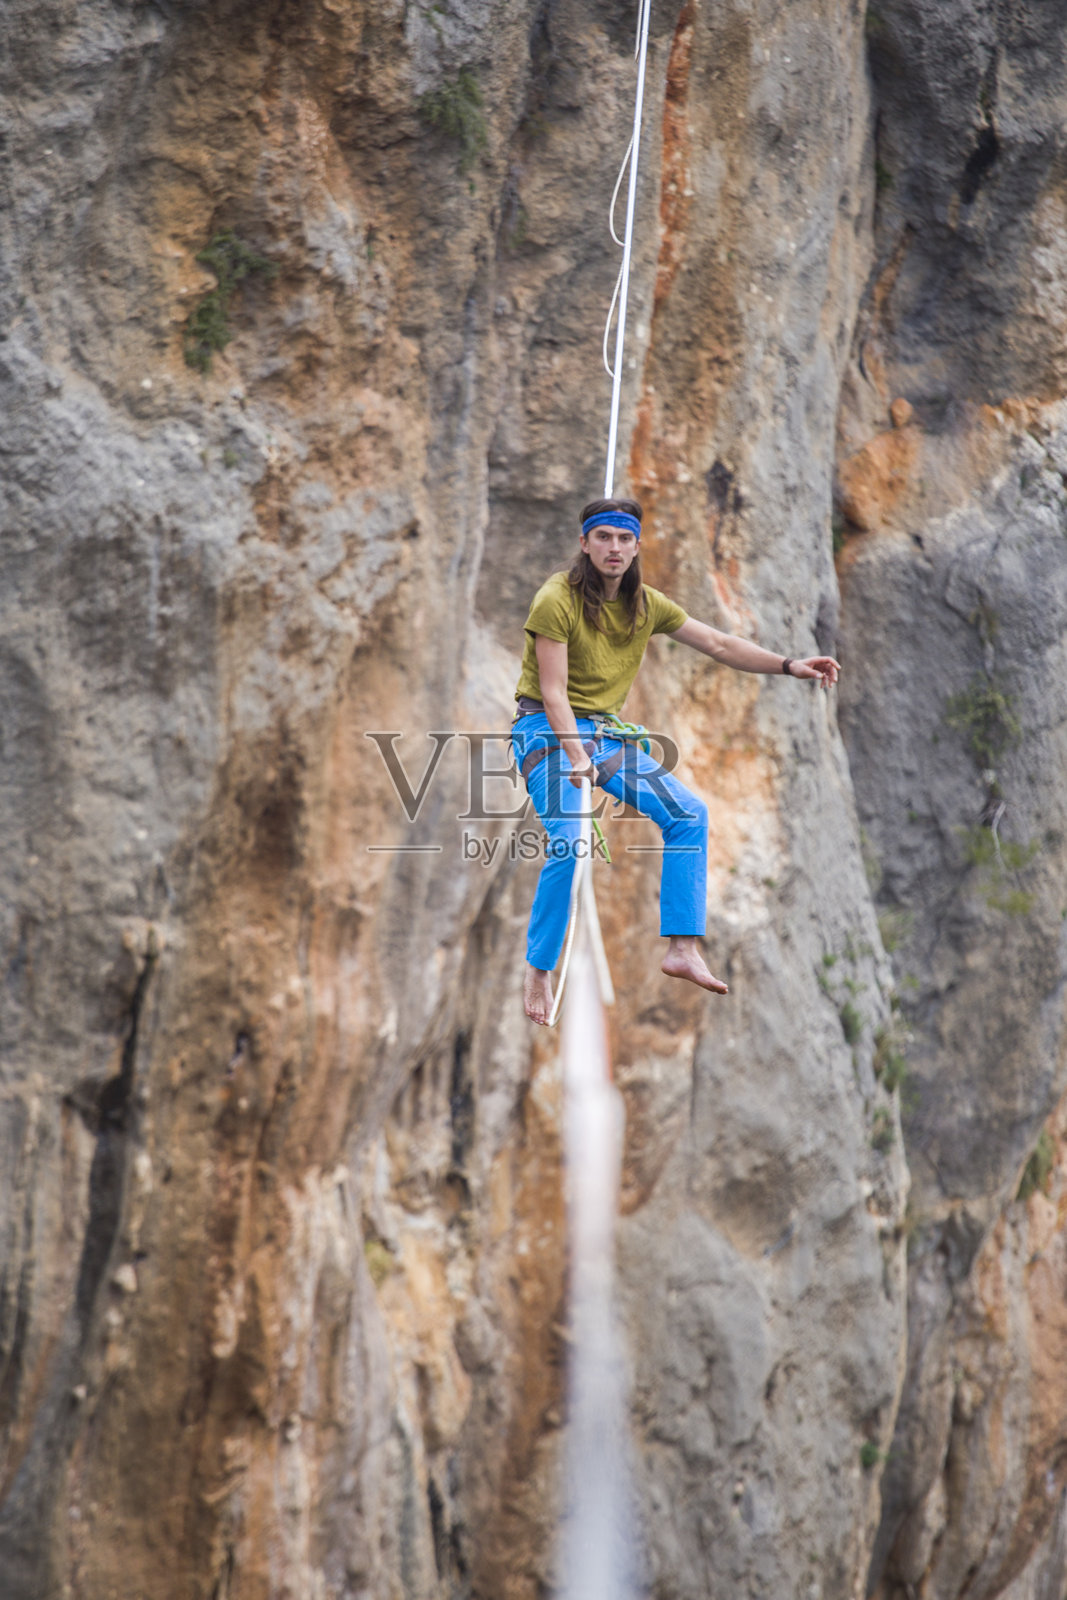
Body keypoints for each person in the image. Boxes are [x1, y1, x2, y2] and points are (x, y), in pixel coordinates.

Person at [512, 496, 841, 1025]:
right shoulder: (556, 598)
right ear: (585, 544)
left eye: (624, 539)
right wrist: (575, 755)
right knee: (571, 842)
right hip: (547, 732)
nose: (614, 548)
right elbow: (552, 694)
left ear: (637, 545)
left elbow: (719, 644)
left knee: (689, 813)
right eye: (603, 538)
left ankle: (683, 948)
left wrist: (789, 664)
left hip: (604, 736)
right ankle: (539, 967)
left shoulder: (646, 605)